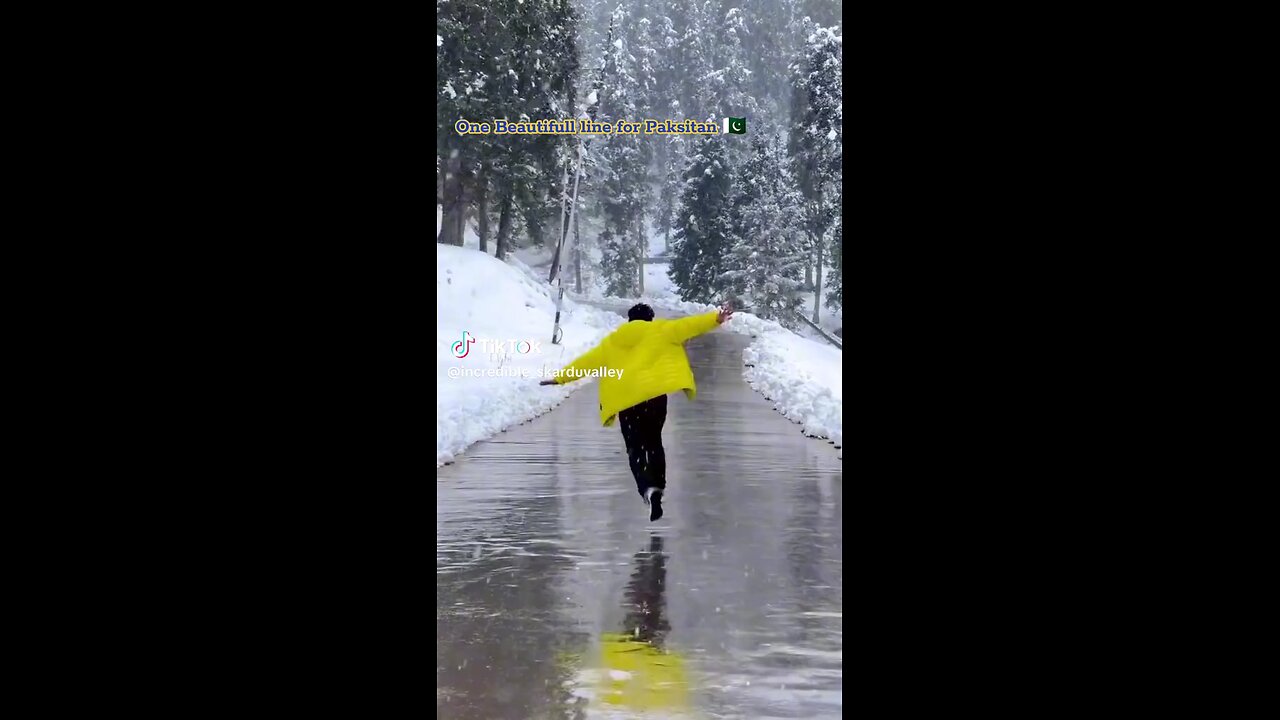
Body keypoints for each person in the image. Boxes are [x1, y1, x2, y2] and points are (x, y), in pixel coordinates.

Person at [539, 302, 734, 520]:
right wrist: (716, 318)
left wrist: (560, 378)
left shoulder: (612, 341)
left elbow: (588, 363)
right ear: (650, 318)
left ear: (629, 320)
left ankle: (645, 487)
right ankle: (658, 486)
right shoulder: (661, 330)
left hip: (627, 402)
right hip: (654, 399)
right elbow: (690, 325)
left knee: (635, 447)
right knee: (654, 442)